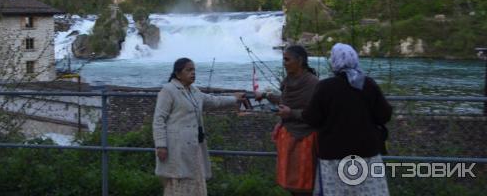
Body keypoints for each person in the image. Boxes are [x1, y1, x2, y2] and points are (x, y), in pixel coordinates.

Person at [282, 43, 392, 196]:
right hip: (367, 151)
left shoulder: (325, 87)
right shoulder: (368, 84)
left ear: (334, 62)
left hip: (333, 154)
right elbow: (384, 115)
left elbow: (311, 118)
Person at [153, 57, 246, 196]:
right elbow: (158, 119)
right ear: (178, 74)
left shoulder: (194, 91)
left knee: (195, 178)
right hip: (176, 147)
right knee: (179, 179)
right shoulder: (168, 91)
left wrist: (234, 98)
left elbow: (215, 101)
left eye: (194, 70)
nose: (193, 73)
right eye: (189, 70)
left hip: (194, 146)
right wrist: (161, 145)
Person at [254, 45, 319, 196]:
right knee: (291, 183)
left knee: (306, 184)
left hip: (306, 138)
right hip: (288, 136)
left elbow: (316, 114)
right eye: (284, 59)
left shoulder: (313, 84)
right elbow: (284, 101)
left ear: (300, 60)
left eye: (287, 59)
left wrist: (291, 113)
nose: (284, 63)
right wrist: (265, 95)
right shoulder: (288, 81)